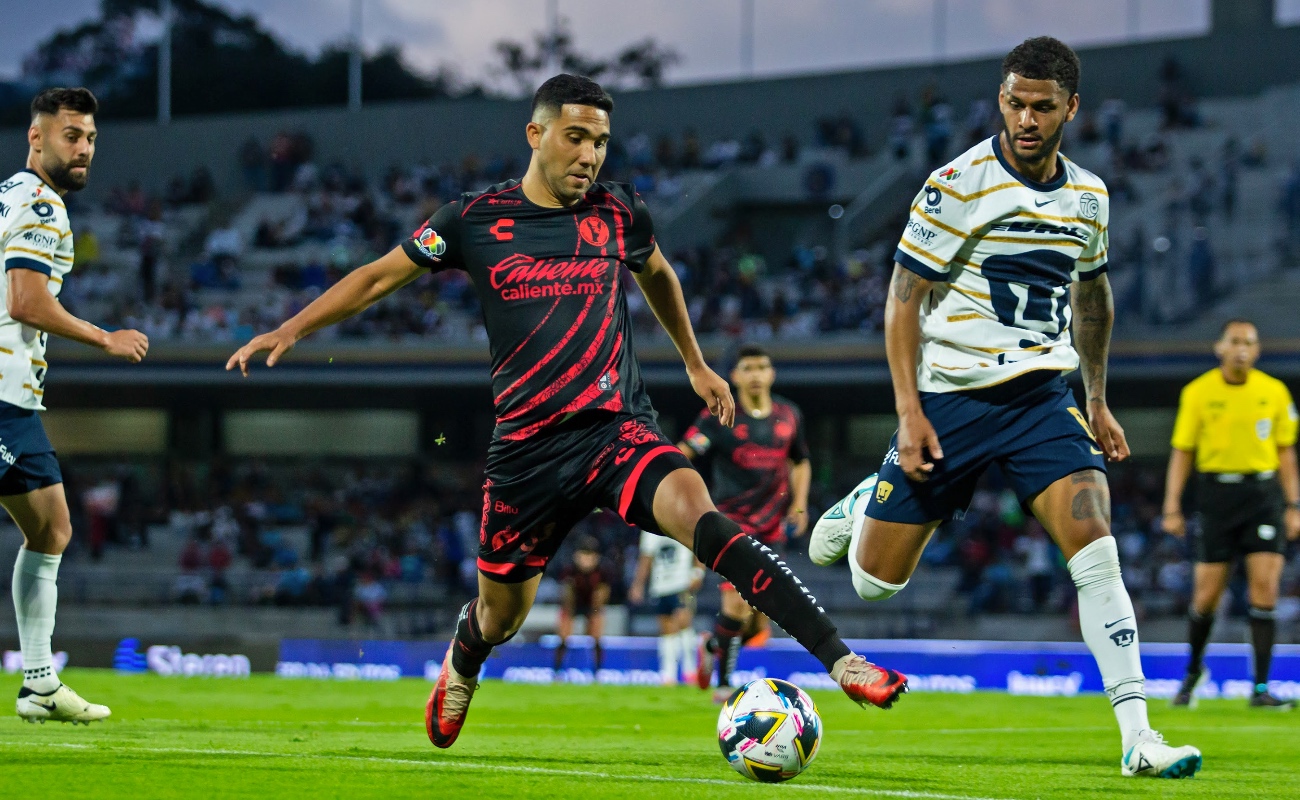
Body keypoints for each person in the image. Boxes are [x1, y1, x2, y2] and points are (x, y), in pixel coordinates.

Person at [227, 74, 908, 750]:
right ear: (536, 134)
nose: (589, 155)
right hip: (526, 454)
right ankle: (465, 655)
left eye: (601, 142)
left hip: (619, 432)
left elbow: (661, 276)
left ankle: (842, 661)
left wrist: (697, 364)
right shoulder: (472, 220)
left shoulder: (619, 212)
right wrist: (291, 329)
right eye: (576, 137)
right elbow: (378, 275)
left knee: (706, 520)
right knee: (502, 618)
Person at [807, 37, 1201, 779]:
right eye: (1015, 102)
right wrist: (910, 413)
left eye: (1042, 107)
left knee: (1097, 546)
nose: (1026, 118)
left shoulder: (1089, 197)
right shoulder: (955, 185)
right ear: (1001, 98)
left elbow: (1093, 297)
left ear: (1071, 108)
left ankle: (1139, 737)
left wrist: (1097, 397)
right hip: (949, 401)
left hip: (1040, 399)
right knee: (872, 580)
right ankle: (867, 501)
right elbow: (902, 302)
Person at [7, 88, 150, 724]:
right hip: (1, 395)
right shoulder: (39, 204)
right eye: (71, 135)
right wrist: (105, 337)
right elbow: (27, 302)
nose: (84, 148)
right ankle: (38, 681)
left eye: (89, 137)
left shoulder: (13, 193)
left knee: (52, 527)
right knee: (51, 528)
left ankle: (38, 682)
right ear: (37, 138)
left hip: (12, 398)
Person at [1162, 320, 1299, 709]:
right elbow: (1182, 451)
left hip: (1263, 494)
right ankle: (1192, 673)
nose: (1242, 348)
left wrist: (1293, 505)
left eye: (1250, 342)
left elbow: (1286, 451)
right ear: (1219, 347)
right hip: (1216, 495)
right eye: (1235, 341)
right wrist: (1172, 505)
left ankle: (1260, 689)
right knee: (1205, 596)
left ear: (1257, 351)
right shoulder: (1198, 392)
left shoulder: (1273, 392)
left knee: (1265, 589)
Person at [678, 344, 811, 693]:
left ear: (771, 373)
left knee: (757, 620)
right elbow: (683, 454)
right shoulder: (718, 416)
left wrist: (799, 503)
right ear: (734, 377)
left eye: (761, 367)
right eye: (747, 368)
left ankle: (711, 647)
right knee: (735, 603)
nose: (755, 374)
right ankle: (724, 685)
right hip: (730, 524)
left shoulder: (789, 415)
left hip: (771, 528)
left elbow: (800, 461)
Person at [629, 527, 702, 685]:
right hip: (661, 585)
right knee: (667, 630)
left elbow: (696, 546)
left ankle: (690, 672)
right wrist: (638, 585)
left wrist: (698, 572)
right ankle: (668, 675)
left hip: (682, 583)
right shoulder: (649, 529)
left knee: (683, 623)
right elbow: (646, 558)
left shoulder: (679, 521)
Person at [554, 537, 612, 676]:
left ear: (596, 557)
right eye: (583, 555)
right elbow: (566, 596)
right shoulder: (569, 570)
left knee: (597, 633)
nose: (586, 560)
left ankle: (597, 672)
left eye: (590, 556)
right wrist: (569, 612)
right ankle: (557, 671)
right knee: (563, 634)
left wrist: (595, 611)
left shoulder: (602, 571)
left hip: (592, 606)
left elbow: (604, 594)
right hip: (573, 605)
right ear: (576, 556)